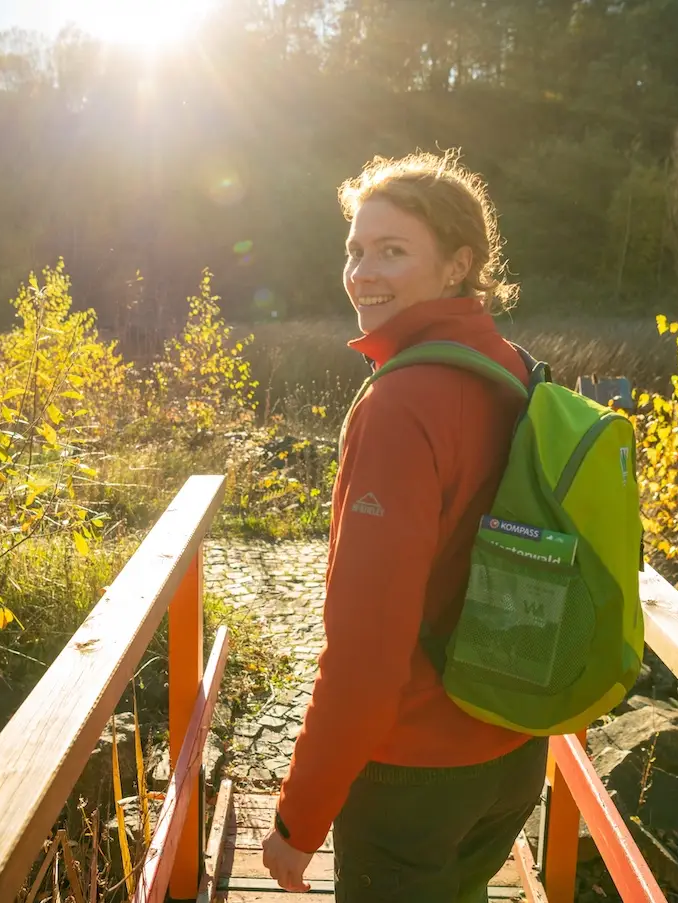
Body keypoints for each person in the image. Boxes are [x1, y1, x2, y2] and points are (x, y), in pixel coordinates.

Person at [260, 150, 548, 902]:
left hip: (413, 777)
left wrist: (298, 818)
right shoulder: (514, 368)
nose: (362, 273)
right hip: (512, 750)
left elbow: (366, 652)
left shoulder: (398, 404)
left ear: (458, 266)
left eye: (392, 252)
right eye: (356, 250)